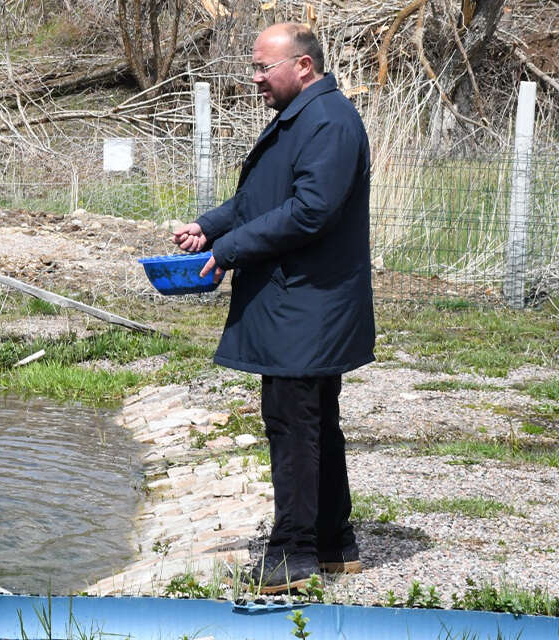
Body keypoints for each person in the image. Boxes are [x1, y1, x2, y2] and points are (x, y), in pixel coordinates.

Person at [172, 22, 375, 594]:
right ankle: (335, 542)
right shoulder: (302, 117)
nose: (256, 79)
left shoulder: (330, 122)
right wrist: (210, 227)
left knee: (293, 427)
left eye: (264, 68)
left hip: (308, 305)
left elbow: (310, 210)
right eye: (254, 68)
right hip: (299, 303)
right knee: (313, 425)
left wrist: (229, 250)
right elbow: (262, 198)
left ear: (303, 67)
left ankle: (293, 555)